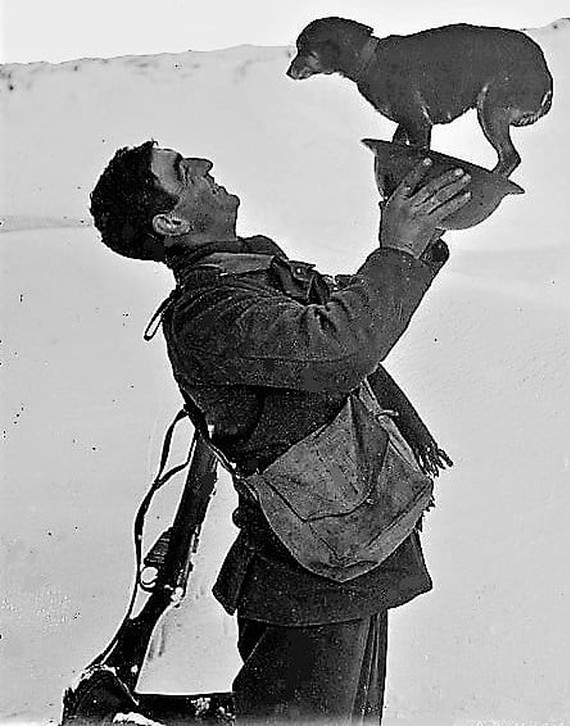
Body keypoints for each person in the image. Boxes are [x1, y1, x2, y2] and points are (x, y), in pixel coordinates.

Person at [89, 139, 471, 724]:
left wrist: (415, 242)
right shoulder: (207, 312)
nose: (206, 164)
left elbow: (352, 309)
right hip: (309, 567)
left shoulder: (252, 272)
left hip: (351, 537)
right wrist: (396, 249)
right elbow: (340, 345)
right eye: (181, 171)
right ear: (170, 221)